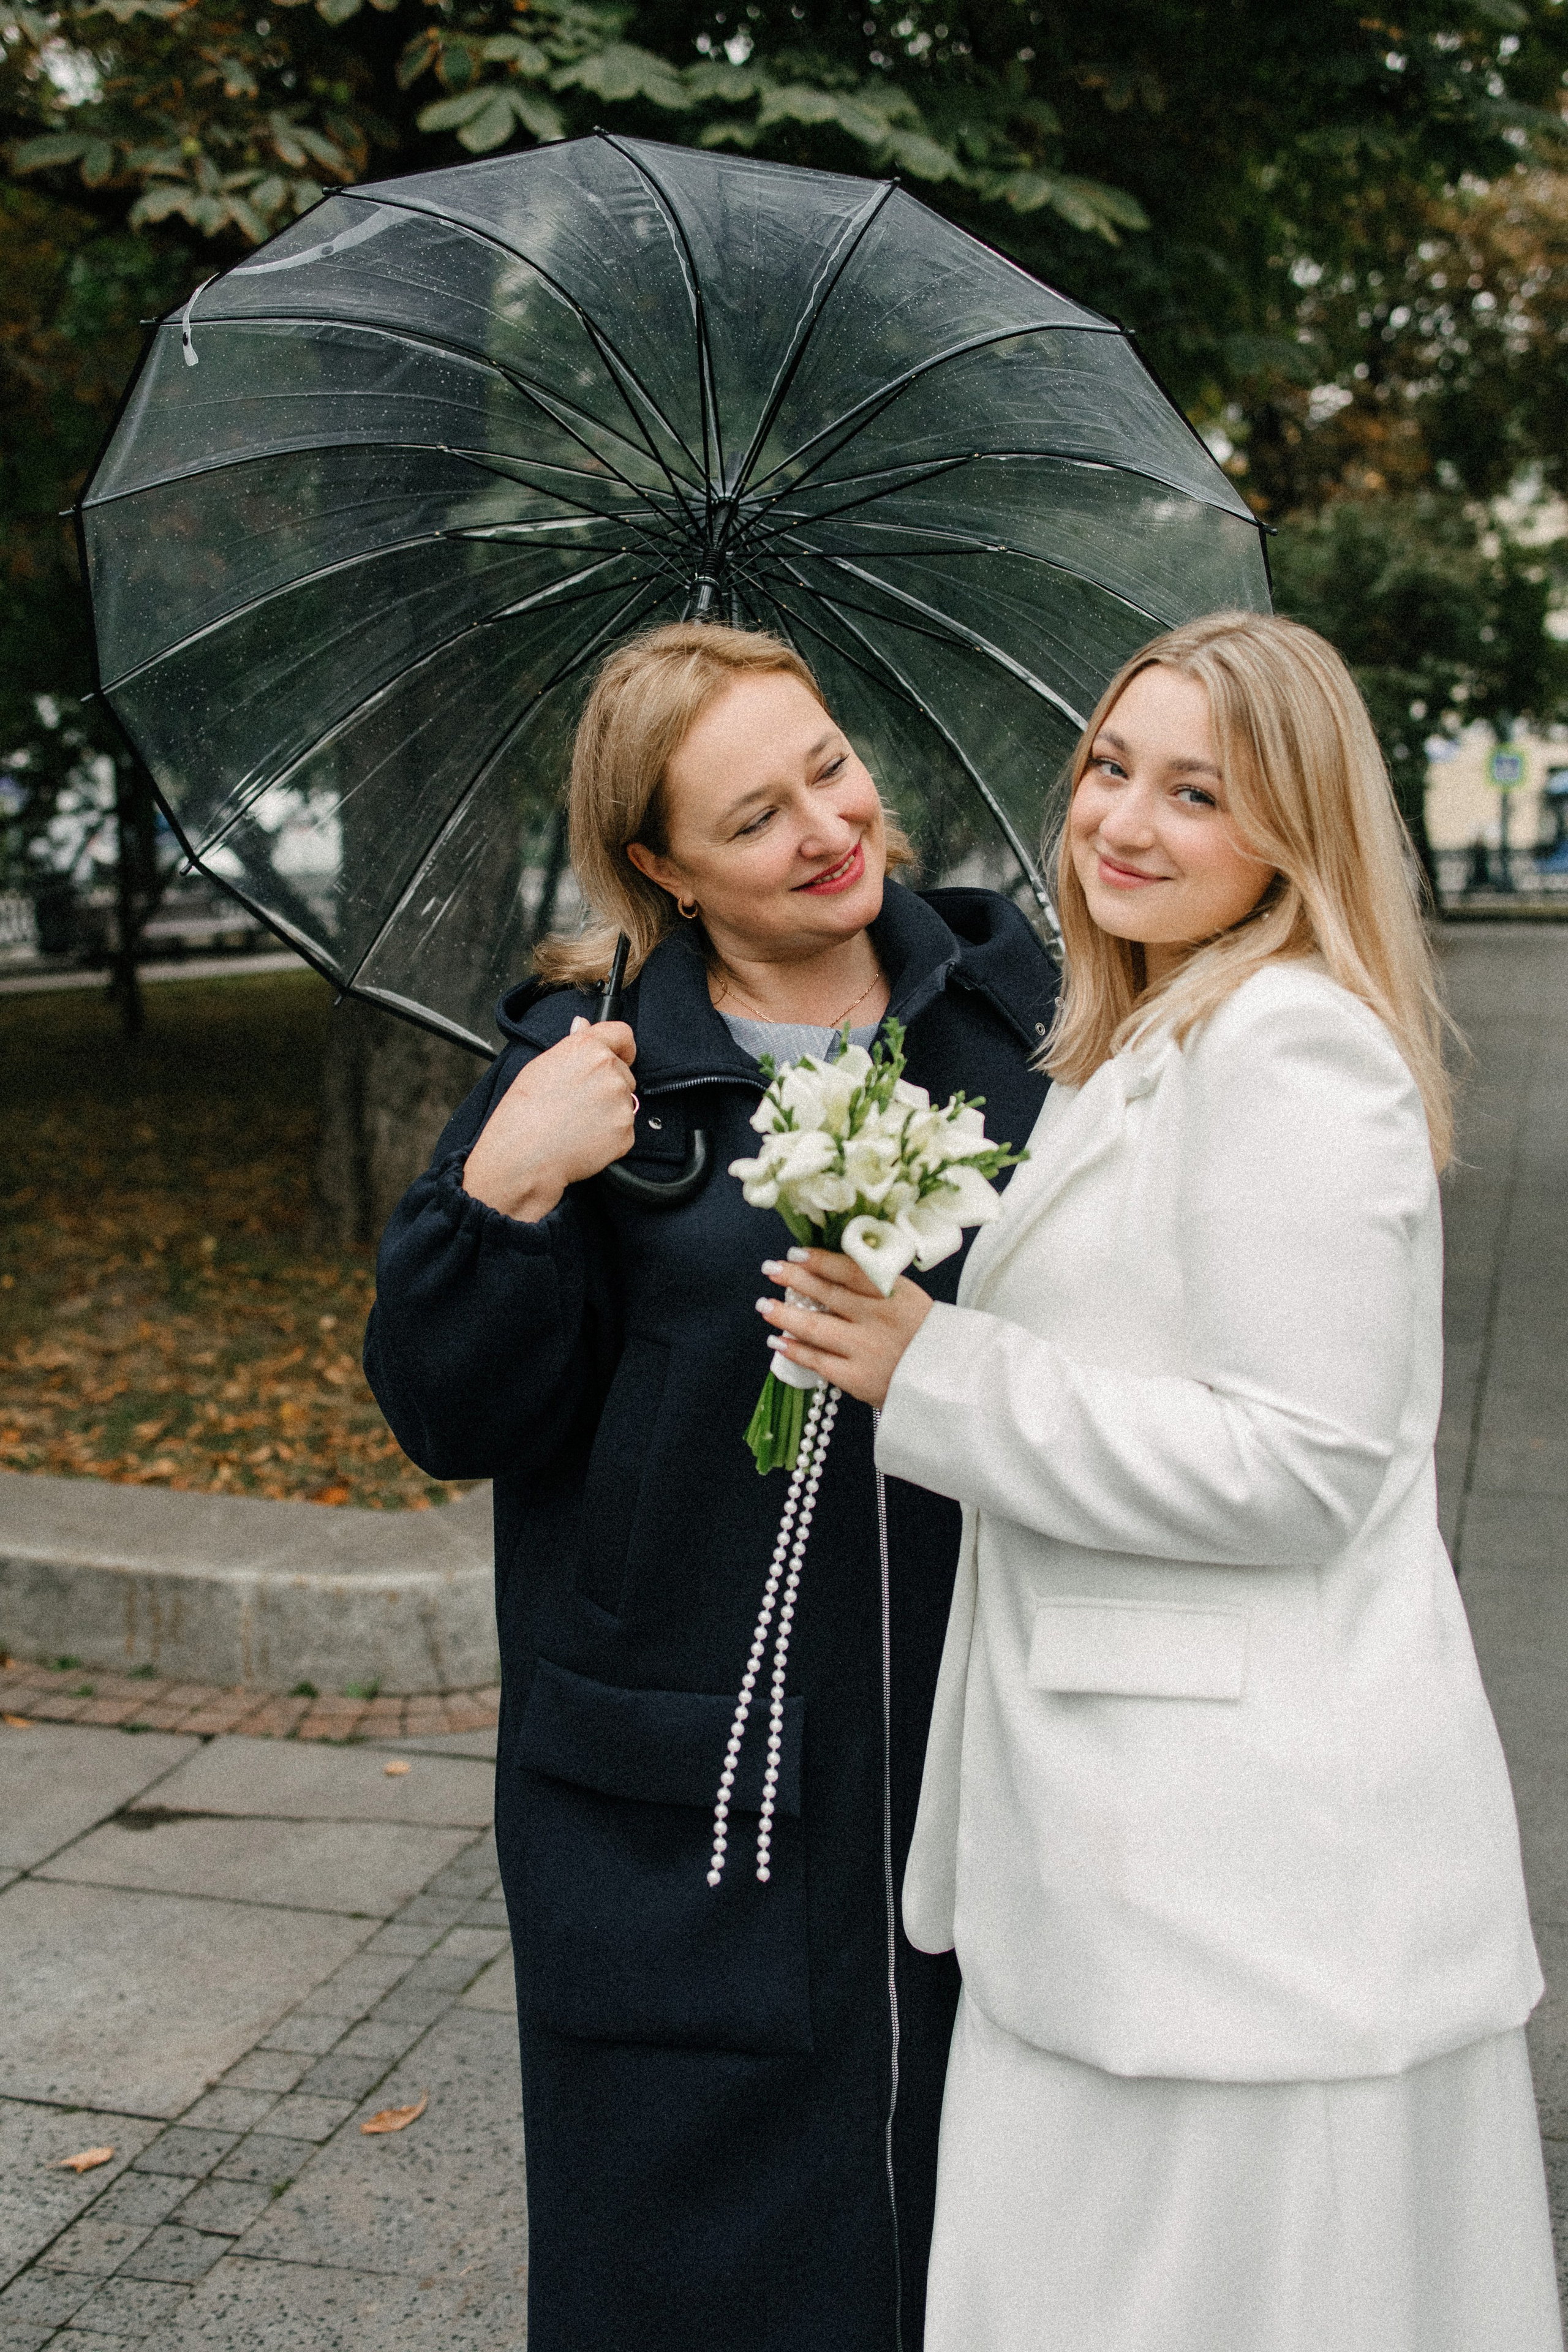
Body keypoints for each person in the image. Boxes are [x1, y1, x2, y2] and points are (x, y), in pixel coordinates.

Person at [758, 610, 1561, 2352]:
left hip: (1242, 1885)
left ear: (1293, 831)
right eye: (1111, 768)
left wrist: (935, 1368)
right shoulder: (1145, 1036)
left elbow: (1305, 1464)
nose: (1121, 821)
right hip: (1127, 1857)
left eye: (1196, 792)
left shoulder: (1291, 1052)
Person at [363, 620, 1057, 2352]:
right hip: (683, 1802)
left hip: (988, 1765)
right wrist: (505, 1193)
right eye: (755, 818)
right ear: (662, 869)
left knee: (988, 2253)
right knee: (687, 2275)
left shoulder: (1027, 1025)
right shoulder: (590, 1069)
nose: (828, 829)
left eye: (830, 768)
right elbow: (449, 1412)